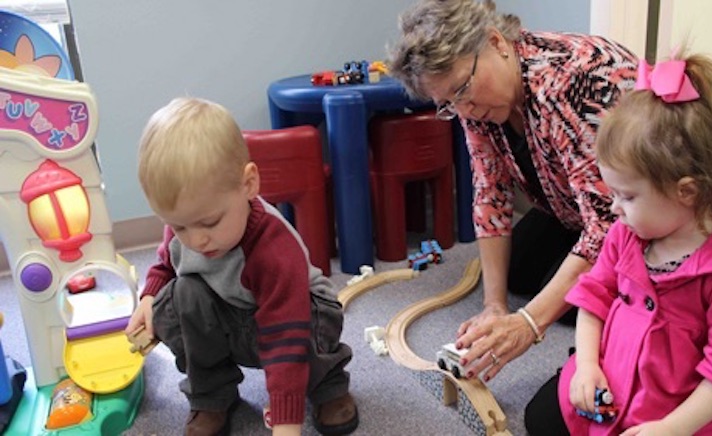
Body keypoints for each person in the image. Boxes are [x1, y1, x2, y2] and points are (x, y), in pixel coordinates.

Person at [524, 52, 712, 435]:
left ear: (686, 192)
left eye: (627, 196)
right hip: (615, 388)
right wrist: (588, 363)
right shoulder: (625, 234)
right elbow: (592, 299)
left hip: (677, 414)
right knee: (540, 418)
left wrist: (671, 428)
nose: (614, 207)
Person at [387, 0, 638, 379]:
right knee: (516, 276)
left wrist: (529, 325)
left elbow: (607, 226)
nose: (465, 110)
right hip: (571, 204)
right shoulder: (475, 102)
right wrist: (494, 304)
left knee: (568, 303)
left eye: (462, 90)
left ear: (496, 42)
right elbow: (490, 193)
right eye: (448, 104)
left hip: (636, 215)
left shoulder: (571, 82)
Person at [127, 97, 359, 436]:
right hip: (238, 319)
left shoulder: (273, 248)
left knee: (308, 334)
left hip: (300, 320)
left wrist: (286, 426)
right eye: (179, 226)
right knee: (179, 296)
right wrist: (148, 297)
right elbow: (166, 263)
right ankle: (211, 396)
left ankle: (327, 384)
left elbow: (285, 341)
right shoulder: (188, 225)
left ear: (248, 185)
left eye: (209, 222)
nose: (196, 240)